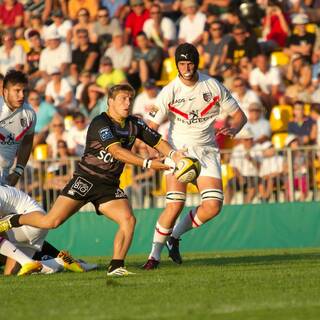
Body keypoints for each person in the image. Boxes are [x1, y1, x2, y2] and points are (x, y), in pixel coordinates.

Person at [0, 83, 184, 276]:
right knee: (51, 222)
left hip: (109, 185)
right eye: (123, 98)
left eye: (130, 98)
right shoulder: (100, 123)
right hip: (86, 180)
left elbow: (157, 141)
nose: (128, 102)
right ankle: (14, 220)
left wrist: (174, 154)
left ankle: (116, 266)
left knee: (128, 219)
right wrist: (147, 163)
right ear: (110, 101)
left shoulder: (134, 124)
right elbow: (116, 151)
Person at [142, 43, 247, 269]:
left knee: (213, 206)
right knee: (175, 205)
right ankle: (153, 256)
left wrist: (235, 128)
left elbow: (240, 116)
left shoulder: (212, 85)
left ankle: (174, 237)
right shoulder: (170, 90)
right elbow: (150, 126)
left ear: (196, 63)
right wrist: (154, 149)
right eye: (182, 63)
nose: (186, 68)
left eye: (190, 63)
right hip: (179, 152)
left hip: (207, 151)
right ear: (176, 65)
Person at [0, 70, 35, 186]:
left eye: (24, 91)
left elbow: (27, 143)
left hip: (5, 176)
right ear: (5, 92)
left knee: (32, 205)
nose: (22, 95)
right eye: (17, 91)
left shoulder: (29, 114)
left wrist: (18, 171)